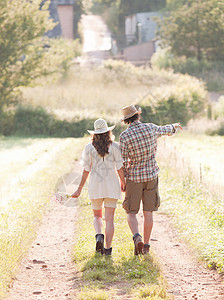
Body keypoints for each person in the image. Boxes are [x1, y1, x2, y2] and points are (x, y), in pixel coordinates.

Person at [119, 104, 182, 255]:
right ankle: (146, 246)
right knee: (148, 213)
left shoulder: (124, 136)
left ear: (126, 120)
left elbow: (121, 161)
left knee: (131, 212)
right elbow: (166, 129)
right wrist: (174, 126)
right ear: (138, 115)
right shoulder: (151, 128)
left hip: (134, 178)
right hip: (151, 176)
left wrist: (123, 180)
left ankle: (136, 237)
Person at [71, 118, 126, 256]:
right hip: (112, 185)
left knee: (97, 216)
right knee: (110, 219)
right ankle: (107, 249)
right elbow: (119, 168)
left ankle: (99, 235)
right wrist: (123, 182)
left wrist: (79, 188)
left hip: (95, 184)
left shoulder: (89, 148)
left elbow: (85, 170)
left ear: (94, 133)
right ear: (108, 132)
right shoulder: (115, 146)